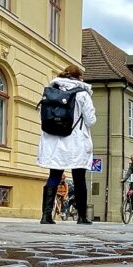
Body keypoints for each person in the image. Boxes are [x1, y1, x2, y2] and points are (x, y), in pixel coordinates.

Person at [37, 65, 96, 224]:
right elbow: (90, 120)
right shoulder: (82, 94)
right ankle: (82, 217)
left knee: (54, 176)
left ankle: (46, 215)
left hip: (54, 141)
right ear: (78, 77)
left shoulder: (51, 91)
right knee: (79, 179)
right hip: (75, 142)